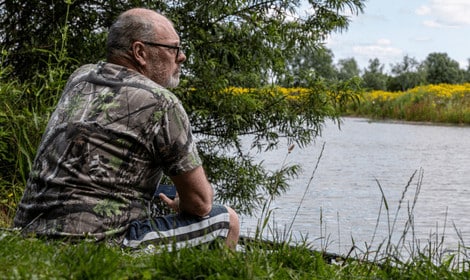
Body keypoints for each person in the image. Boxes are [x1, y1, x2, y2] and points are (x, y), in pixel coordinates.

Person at [13, 8, 240, 250]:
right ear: (140, 52)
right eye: (174, 49)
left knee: (163, 190)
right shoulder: (161, 101)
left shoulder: (80, 77)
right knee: (226, 219)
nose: (181, 57)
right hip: (95, 243)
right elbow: (201, 204)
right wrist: (187, 201)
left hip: (28, 231)